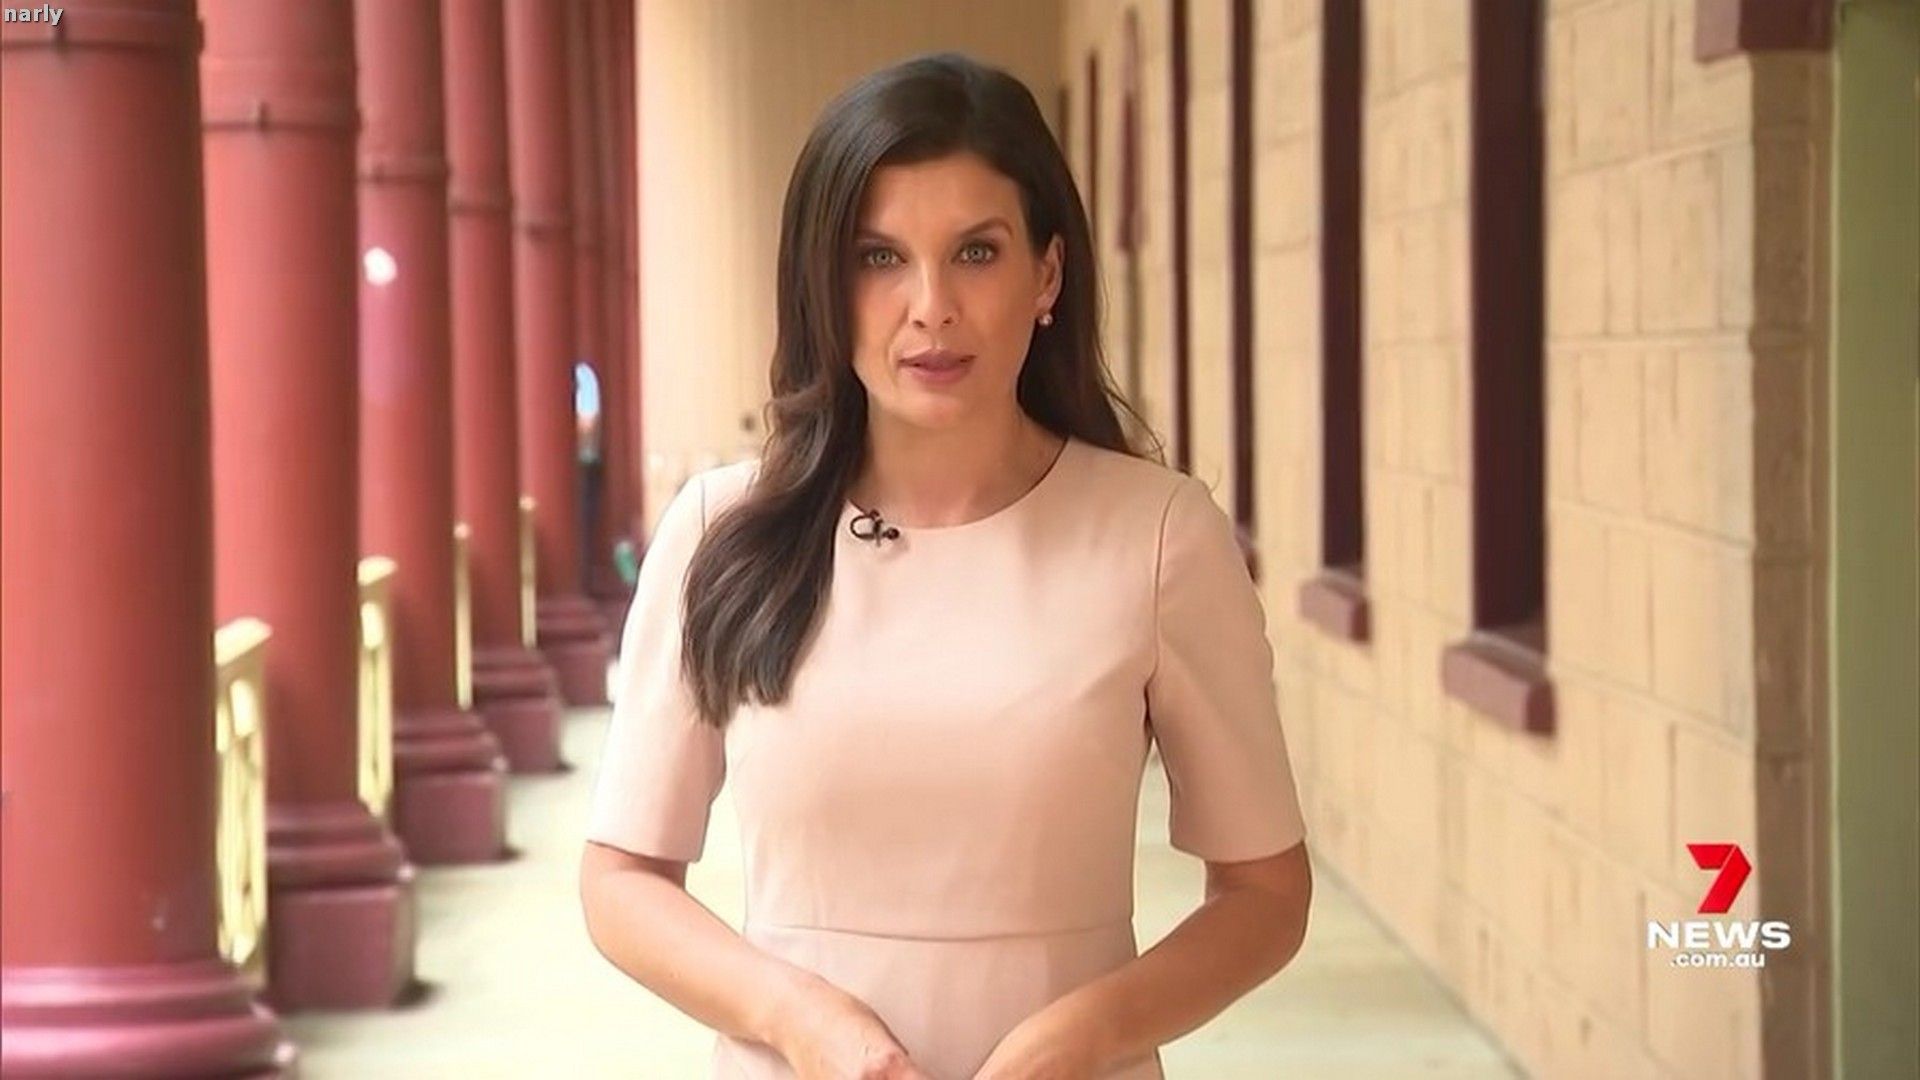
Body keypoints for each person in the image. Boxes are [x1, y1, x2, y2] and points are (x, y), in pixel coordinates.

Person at [579, 52, 1311, 1080]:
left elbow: (1267, 894)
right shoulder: (721, 531)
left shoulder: (1159, 537)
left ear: (1047, 273)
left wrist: (1082, 1035)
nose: (931, 306)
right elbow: (621, 879)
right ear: (825, 285)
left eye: (976, 252)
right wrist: (800, 1020)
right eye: (879, 257)